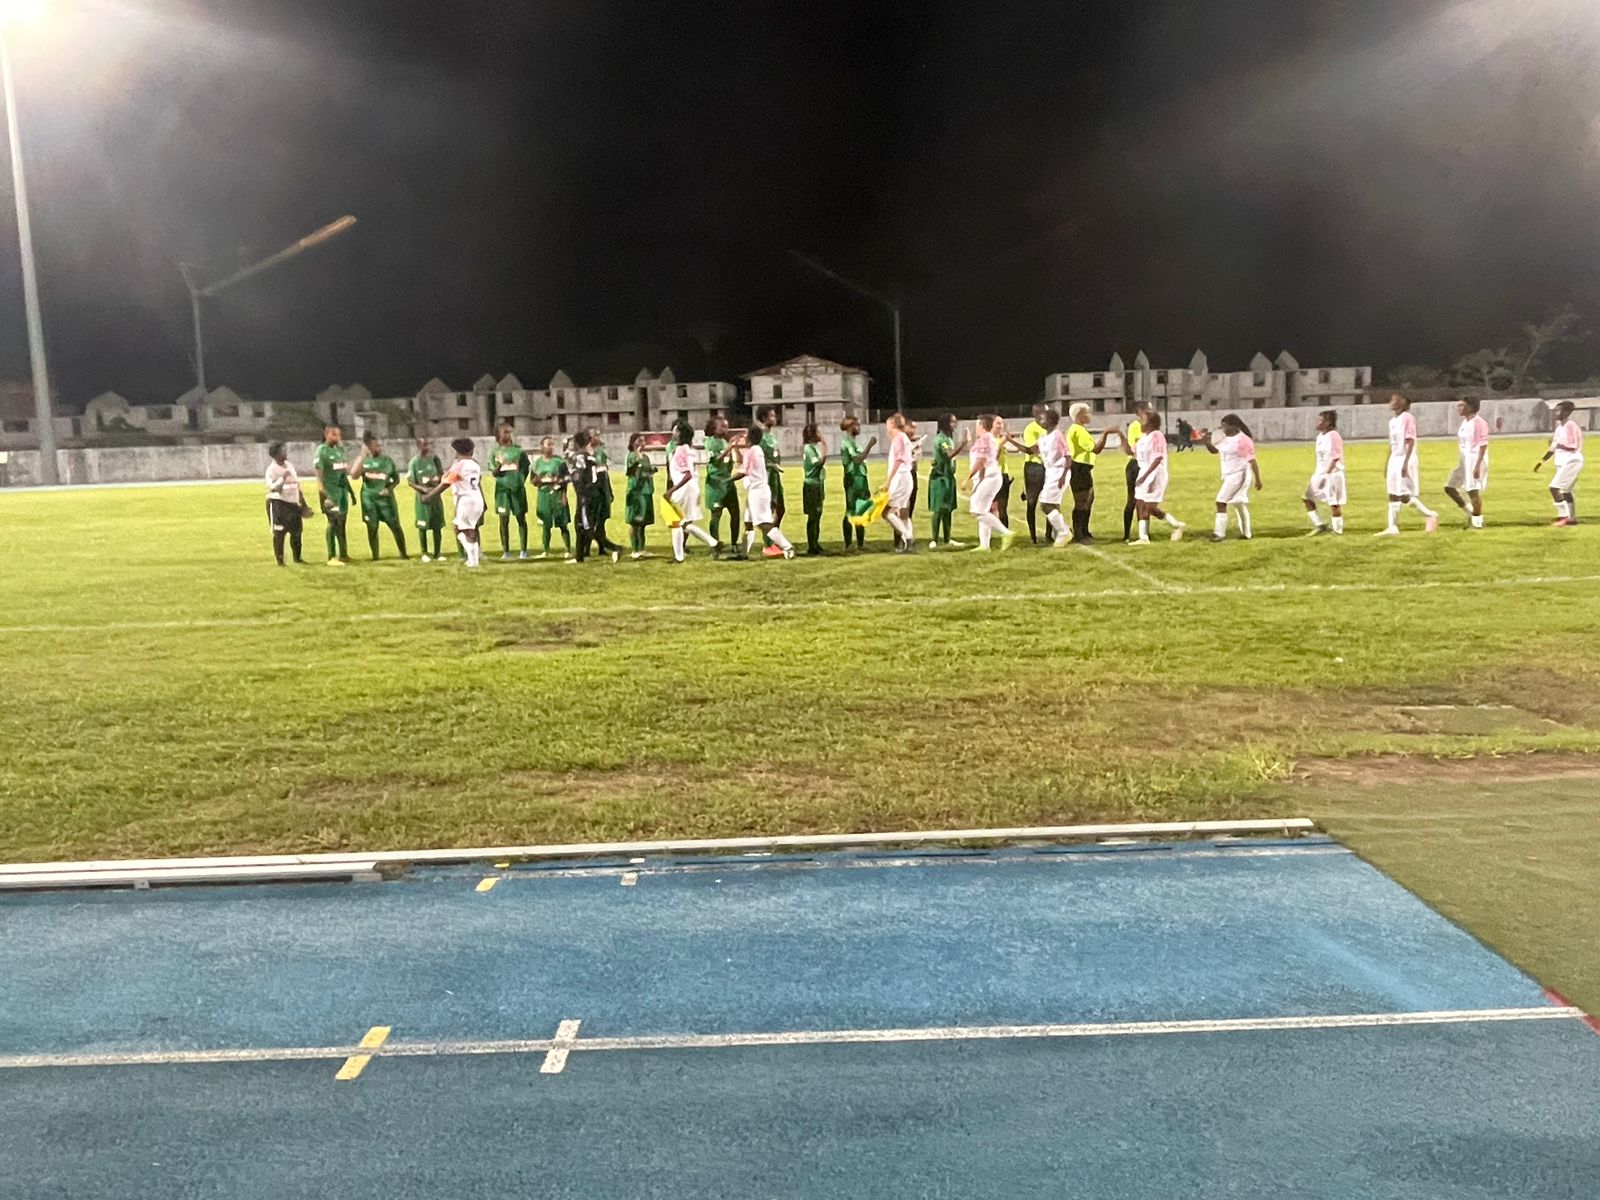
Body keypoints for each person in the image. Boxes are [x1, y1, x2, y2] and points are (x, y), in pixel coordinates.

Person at [1377, 393, 1439, 537]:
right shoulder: (1392, 421)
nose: (1391, 402)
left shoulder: (1407, 418)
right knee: (1397, 494)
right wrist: (1387, 463)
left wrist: (1405, 463)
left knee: (1401, 494)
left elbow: (1410, 440)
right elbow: (1391, 444)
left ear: (1403, 402)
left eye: (1394, 400)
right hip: (1395, 458)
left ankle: (1394, 526)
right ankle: (1428, 515)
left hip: (1405, 458)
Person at [417, 438, 485, 567]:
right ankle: (473, 559)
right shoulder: (475, 465)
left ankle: (473, 560)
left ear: (457, 451)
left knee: (461, 530)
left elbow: (445, 484)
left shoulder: (459, 465)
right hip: (477, 499)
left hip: (465, 500)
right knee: (468, 529)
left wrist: (429, 496)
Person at [733, 422, 795, 559]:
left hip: (757, 491)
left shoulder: (752, 452)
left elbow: (743, 472)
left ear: (749, 438)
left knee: (763, 523)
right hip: (756, 490)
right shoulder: (757, 450)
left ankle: (787, 546)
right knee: (748, 523)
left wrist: (728, 480)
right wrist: (737, 448)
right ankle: (743, 553)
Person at [664, 419, 720, 563]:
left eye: (675, 430)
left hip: (685, 488)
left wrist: (672, 490)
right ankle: (713, 543)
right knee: (684, 523)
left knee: (676, 522)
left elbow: (687, 474)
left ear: (681, 433)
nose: (673, 432)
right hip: (691, 487)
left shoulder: (681, 449)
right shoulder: (688, 449)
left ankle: (679, 556)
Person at [1014, 407, 1072, 546]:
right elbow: (1029, 450)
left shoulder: (1057, 435)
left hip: (1058, 472)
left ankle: (1064, 531)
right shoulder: (1044, 438)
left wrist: (1063, 475)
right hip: (1050, 473)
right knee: (1052, 504)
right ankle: (1060, 534)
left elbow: (1068, 456)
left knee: (1045, 504)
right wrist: (1011, 440)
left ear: (1051, 421)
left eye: (1043, 418)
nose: (1040, 420)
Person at [1201, 414, 1261, 541]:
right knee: (1239, 504)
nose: (1223, 429)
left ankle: (1219, 534)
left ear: (1233, 426)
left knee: (1220, 501)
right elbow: (1214, 451)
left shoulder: (1243, 440)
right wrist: (1206, 441)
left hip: (1239, 475)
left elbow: (1253, 461)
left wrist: (1258, 480)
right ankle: (1247, 534)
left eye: (1225, 426)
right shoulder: (1225, 439)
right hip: (1229, 475)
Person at [1131, 409, 1185, 544]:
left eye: (1143, 420)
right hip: (1144, 472)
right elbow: (1131, 452)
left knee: (1148, 506)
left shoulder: (1156, 435)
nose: (1140, 423)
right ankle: (1143, 537)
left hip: (1155, 473)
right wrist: (1120, 436)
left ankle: (1176, 525)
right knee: (1140, 504)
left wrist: (1146, 478)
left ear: (1151, 423)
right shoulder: (1144, 438)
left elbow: (1157, 458)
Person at [567, 430, 621, 564]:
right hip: (590, 494)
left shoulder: (579, 457)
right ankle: (579, 557)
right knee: (579, 525)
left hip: (586, 495)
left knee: (588, 528)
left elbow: (578, 477)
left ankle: (615, 548)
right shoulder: (590, 457)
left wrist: (572, 482)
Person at [355, 434, 408, 560]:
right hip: (369, 500)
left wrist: (388, 488)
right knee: (372, 527)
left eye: (379, 445)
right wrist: (361, 456)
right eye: (376, 445)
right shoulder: (364, 461)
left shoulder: (387, 461)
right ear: (368, 447)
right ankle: (375, 556)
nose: (379, 448)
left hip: (385, 501)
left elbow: (396, 479)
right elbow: (354, 475)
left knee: (395, 526)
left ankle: (403, 553)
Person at [966, 414, 1014, 551]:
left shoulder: (985, 439)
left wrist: (967, 479)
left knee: (977, 512)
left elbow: (981, 461)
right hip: (989, 477)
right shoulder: (989, 439)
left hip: (990, 478)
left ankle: (1006, 533)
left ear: (981, 425)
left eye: (977, 424)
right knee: (984, 510)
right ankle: (984, 545)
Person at [1066, 403, 1111, 543]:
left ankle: (1084, 531)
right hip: (1079, 468)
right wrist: (1105, 433)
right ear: (1080, 415)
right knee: (1081, 501)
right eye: (1087, 413)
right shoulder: (1078, 430)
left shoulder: (1079, 429)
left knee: (1088, 499)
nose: (1089, 415)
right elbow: (1095, 449)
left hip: (1083, 468)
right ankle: (1079, 533)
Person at [1444, 397, 1490, 529]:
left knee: (1472, 491)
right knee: (1449, 487)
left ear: (1470, 407)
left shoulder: (1479, 422)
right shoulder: (1465, 422)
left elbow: (1483, 444)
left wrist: (1478, 465)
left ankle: (1477, 523)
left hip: (1474, 459)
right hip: (1464, 460)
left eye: (1461, 406)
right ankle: (1471, 512)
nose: (1458, 408)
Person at [1536, 400, 1585, 526]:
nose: (1556, 413)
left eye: (1559, 410)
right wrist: (1542, 462)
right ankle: (1572, 518)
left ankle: (1563, 516)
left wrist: (1559, 445)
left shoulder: (1571, 426)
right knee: (1567, 491)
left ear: (1567, 412)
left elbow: (1573, 446)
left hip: (1572, 461)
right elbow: (1552, 448)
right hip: (1562, 462)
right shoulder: (1559, 428)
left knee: (1554, 487)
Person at [312, 425, 354, 564]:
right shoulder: (321, 451)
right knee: (333, 523)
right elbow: (319, 476)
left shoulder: (340, 451)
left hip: (341, 494)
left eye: (339, 435)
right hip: (330, 493)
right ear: (327, 435)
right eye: (334, 434)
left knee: (342, 523)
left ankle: (344, 554)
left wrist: (351, 493)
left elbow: (343, 475)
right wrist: (324, 495)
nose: (337, 437)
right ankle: (332, 556)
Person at [702, 415, 743, 558]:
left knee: (735, 513)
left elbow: (737, 460)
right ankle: (715, 544)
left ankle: (734, 543)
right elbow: (716, 461)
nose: (726, 429)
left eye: (727, 426)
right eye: (723, 426)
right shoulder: (710, 442)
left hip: (728, 482)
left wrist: (734, 447)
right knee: (716, 514)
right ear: (714, 428)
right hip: (716, 483)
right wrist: (730, 447)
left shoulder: (725, 442)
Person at [489, 424, 531, 561]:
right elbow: (494, 474)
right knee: (503, 521)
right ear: (498, 435)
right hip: (502, 491)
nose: (508, 434)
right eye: (505, 432)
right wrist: (500, 464)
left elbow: (526, 468)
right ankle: (505, 551)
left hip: (517, 490)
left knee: (521, 519)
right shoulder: (495, 452)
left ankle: (523, 551)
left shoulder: (518, 451)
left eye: (509, 432)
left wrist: (520, 481)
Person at [264, 442, 309, 565]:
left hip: (292, 503)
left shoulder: (289, 465)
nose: (285, 452)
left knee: (297, 532)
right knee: (279, 532)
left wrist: (303, 504)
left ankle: (297, 558)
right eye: (283, 450)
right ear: (276, 454)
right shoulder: (271, 470)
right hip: (278, 504)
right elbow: (273, 488)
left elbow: (296, 485)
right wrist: (282, 478)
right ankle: (280, 560)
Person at [883, 413, 923, 553]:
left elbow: (899, 460)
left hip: (900, 478)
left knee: (886, 512)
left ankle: (908, 536)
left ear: (893, 424)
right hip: (906, 477)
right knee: (903, 512)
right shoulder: (904, 438)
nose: (886, 428)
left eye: (888, 424)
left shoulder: (898, 438)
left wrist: (888, 481)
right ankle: (908, 544)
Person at [1303, 410, 1347, 536]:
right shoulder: (1320, 436)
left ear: (1327, 422)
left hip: (1332, 474)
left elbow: (1335, 457)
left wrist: (1327, 474)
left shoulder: (1333, 436)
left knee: (1334, 504)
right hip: (1320, 473)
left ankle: (1338, 531)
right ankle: (1320, 525)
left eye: (1320, 420)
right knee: (1307, 498)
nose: (1317, 423)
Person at [926, 413, 967, 549]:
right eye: (953, 422)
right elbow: (949, 454)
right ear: (945, 424)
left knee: (948, 509)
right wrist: (964, 444)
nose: (955, 424)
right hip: (940, 478)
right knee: (938, 509)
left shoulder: (949, 438)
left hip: (949, 477)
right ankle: (934, 539)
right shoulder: (941, 439)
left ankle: (947, 539)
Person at [838, 414, 877, 550]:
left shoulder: (854, 442)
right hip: (852, 478)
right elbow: (856, 460)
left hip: (861, 478)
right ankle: (848, 544)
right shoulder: (846, 442)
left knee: (861, 509)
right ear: (850, 427)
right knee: (850, 510)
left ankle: (860, 544)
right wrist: (870, 446)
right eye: (857, 425)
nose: (859, 428)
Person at [751, 405, 786, 555]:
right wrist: (771, 465)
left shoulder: (772, 436)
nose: (775, 418)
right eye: (771, 416)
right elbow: (756, 458)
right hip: (767, 477)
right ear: (764, 418)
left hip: (775, 476)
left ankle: (773, 539)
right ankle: (768, 545)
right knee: (769, 510)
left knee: (781, 509)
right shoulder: (760, 437)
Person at [530, 436, 573, 559]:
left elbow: (567, 478)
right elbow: (532, 480)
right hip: (543, 494)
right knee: (545, 524)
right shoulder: (537, 464)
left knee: (562, 523)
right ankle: (546, 550)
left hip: (557, 494)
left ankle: (568, 549)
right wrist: (538, 480)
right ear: (542, 446)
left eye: (552, 445)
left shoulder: (559, 462)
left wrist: (564, 494)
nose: (550, 447)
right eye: (548, 444)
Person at [407, 437, 446, 561]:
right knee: (423, 526)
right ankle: (424, 553)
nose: (427, 447)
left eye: (428, 444)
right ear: (419, 446)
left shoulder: (434, 459)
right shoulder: (414, 462)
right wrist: (422, 489)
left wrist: (436, 481)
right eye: (424, 445)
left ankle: (438, 552)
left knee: (437, 525)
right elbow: (410, 482)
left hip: (435, 496)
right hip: (422, 498)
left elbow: (441, 475)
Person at [1121, 402, 1154, 542]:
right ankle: (1126, 534)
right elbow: (1133, 448)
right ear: (1138, 412)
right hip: (1136, 464)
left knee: (1146, 500)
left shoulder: (1152, 427)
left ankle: (1144, 532)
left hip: (1147, 464)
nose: (1150, 412)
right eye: (1147, 410)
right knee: (1132, 500)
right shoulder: (1135, 426)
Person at [624, 433, 656, 559]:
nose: (643, 442)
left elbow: (647, 471)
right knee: (634, 522)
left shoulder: (646, 457)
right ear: (633, 443)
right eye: (640, 440)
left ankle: (642, 549)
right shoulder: (631, 456)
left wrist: (651, 471)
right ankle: (634, 549)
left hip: (646, 491)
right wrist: (637, 459)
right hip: (636, 491)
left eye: (644, 440)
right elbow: (631, 472)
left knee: (643, 523)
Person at [1021, 402, 1049, 543]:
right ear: (1038, 413)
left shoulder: (1048, 428)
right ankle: (1033, 537)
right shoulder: (1030, 429)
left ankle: (1049, 535)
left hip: (1048, 467)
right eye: (1045, 412)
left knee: (1050, 500)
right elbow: (1032, 449)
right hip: (1034, 467)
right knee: (1032, 501)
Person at [801, 423, 828, 555]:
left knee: (817, 515)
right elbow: (818, 463)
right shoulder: (808, 449)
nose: (820, 434)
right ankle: (811, 546)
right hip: (812, 485)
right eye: (818, 431)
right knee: (813, 516)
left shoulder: (813, 448)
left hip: (818, 484)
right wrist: (825, 447)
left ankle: (815, 544)